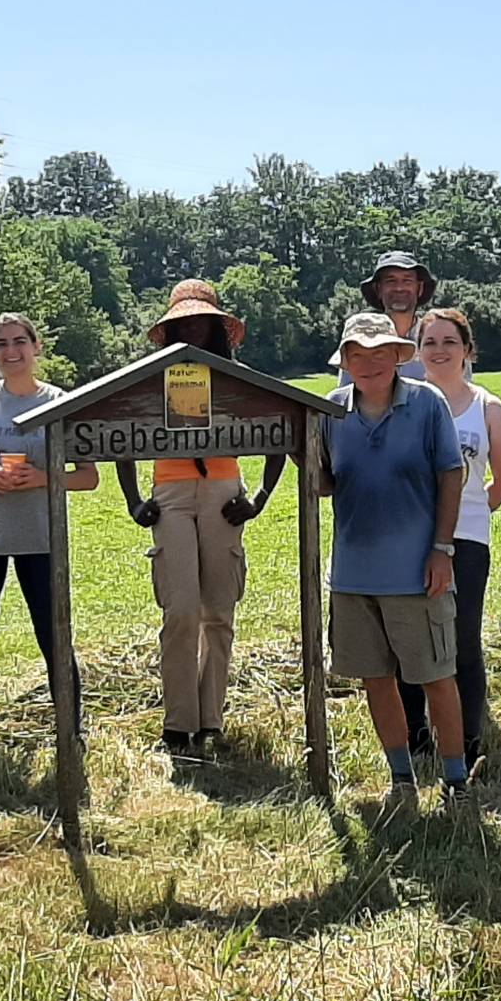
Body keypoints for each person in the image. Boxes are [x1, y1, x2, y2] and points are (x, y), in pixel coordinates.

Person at [115, 281, 287, 755]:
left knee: (219, 612)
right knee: (181, 610)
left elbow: (281, 437)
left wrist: (260, 498)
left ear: (217, 328)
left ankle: (211, 720)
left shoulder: (238, 380)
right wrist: (133, 499)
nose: (191, 329)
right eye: (181, 323)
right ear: (169, 330)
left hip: (223, 493)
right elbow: (119, 435)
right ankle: (178, 722)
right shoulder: (152, 378)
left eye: (199, 321)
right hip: (169, 493)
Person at [319, 312, 471, 813]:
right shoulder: (330, 411)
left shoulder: (427, 403)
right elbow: (321, 479)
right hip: (352, 575)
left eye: (379, 352)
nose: (368, 363)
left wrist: (442, 549)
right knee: (375, 679)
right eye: (356, 354)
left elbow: (452, 473)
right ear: (345, 362)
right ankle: (401, 779)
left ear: (397, 356)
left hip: (416, 572)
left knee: (435, 675)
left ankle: (456, 783)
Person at [0, 313, 99, 748]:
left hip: (41, 536)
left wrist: (44, 478)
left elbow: (88, 476)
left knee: (53, 632)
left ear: (36, 347)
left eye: (19, 342)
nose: (12, 352)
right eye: (2, 344)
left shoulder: (61, 401)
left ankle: (70, 728)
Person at [393, 308, 501, 773]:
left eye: (449, 341)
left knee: (461, 640)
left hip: (465, 542)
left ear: (468, 350)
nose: (439, 351)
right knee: (407, 639)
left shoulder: (487, 407)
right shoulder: (407, 402)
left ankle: (466, 740)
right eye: (430, 342)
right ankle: (415, 737)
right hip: (407, 540)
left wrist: (468, 514)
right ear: (418, 353)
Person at [330, 251, 466, 384]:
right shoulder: (361, 338)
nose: (399, 288)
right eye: (391, 281)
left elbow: (462, 393)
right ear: (378, 289)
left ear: (420, 288)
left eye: (407, 280)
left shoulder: (439, 337)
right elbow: (344, 399)